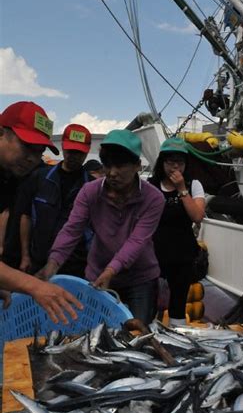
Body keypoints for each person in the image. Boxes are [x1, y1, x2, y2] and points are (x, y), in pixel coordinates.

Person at [37, 129, 164, 325]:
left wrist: (111, 271)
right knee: (95, 333)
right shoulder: (90, 192)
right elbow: (72, 230)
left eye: (120, 165)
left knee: (137, 335)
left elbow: (137, 241)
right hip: (97, 275)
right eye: (108, 165)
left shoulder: (154, 198)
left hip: (140, 279)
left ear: (137, 165)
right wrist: (52, 265)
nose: (112, 173)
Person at [0, 101, 82, 323]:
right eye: (27, 146)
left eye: (39, 151)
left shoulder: (11, 177)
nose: (33, 159)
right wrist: (33, 285)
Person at [18, 123, 93, 276]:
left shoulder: (92, 187)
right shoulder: (39, 177)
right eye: (70, 151)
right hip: (37, 261)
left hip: (75, 266)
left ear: (87, 152)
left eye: (79, 152)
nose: (74, 156)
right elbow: (25, 216)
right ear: (63, 147)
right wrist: (25, 255)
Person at [150, 137, 205, 327]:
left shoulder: (193, 185)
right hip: (153, 253)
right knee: (150, 301)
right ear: (162, 162)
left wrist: (182, 189)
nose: (175, 166)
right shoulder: (151, 184)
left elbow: (197, 216)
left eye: (180, 162)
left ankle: (176, 338)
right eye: (170, 161)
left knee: (178, 302)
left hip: (182, 254)